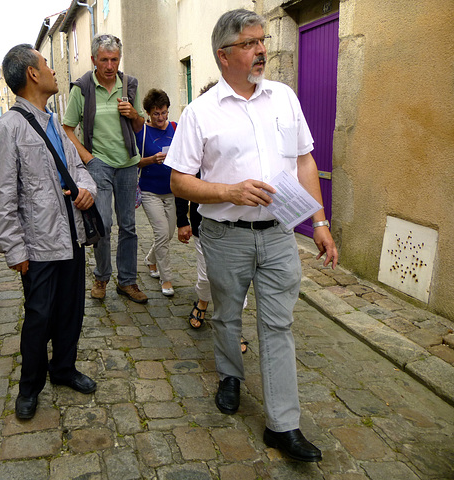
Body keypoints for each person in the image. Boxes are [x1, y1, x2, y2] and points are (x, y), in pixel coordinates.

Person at [165, 9, 338, 463]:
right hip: (224, 236)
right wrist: (229, 191)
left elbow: (304, 162)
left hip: (281, 234)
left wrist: (319, 223)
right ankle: (230, 375)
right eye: (249, 43)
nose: (262, 50)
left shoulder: (283, 98)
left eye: (262, 41)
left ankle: (283, 424)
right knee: (225, 315)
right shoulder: (199, 113)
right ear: (223, 56)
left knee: (278, 325)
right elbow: (179, 181)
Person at [0, 44, 98, 420]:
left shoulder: (54, 123)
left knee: (71, 311)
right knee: (38, 318)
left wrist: (87, 190)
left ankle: (63, 369)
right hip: (38, 245)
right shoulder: (8, 128)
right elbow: (0, 195)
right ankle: (29, 385)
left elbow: (78, 168)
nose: (52, 70)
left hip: (72, 235)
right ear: (32, 73)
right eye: (47, 64)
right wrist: (14, 250)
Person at [63, 34, 148, 304]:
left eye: (114, 59)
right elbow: (67, 128)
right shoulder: (83, 88)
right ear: (93, 60)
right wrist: (88, 157)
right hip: (98, 163)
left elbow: (138, 126)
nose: (110, 65)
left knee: (129, 225)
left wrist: (134, 115)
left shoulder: (129, 84)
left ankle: (127, 281)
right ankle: (101, 276)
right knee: (103, 223)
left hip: (127, 164)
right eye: (104, 60)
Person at [175, 81, 249, 353]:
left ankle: (234, 329)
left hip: (240, 226)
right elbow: (182, 183)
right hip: (205, 225)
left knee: (236, 282)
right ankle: (202, 302)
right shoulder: (198, 140)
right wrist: (182, 220)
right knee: (207, 277)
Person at [135, 89, 177, 297]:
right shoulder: (141, 132)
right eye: (156, 113)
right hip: (150, 191)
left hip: (172, 191)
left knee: (169, 234)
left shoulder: (176, 128)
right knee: (161, 233)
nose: (160, 118)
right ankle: (166, 277)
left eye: (163, 112)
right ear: (149, 113)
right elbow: (134, 162)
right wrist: (152, 160)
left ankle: (150, 259)